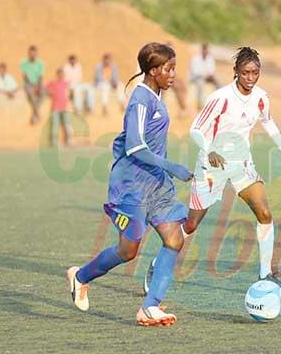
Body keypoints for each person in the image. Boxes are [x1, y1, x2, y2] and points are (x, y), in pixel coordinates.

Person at [144, 47, 281, 294]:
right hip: (212, 165)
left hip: (241, 164)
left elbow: (268, 123)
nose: (251, 78)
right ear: (235, 72)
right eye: (246, 73)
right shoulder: (221, 98)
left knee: (264, 212)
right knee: (192, 224)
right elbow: (196, 129)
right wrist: (210, 151)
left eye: (255, 73)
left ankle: (266, 275)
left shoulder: (261, 97)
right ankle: (157, 263)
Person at [65, 42, 192, 327]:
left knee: (174, 239)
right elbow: (135, 147)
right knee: (128, 251)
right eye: (169, 69)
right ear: (153, 70)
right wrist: (173, 166)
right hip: (131, 184)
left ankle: (150, 307)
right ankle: (81, 276)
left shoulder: (158, 97)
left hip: (156, 186)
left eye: (174, 68)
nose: (173, 74)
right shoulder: (140, 99)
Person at [45, 68, 73, 147]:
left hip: (65, 108)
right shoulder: (53, 83)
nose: (61, 76)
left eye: (62, 74)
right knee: (55, 126)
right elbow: (45, 88)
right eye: (59, 74)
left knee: (67, 125)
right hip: (55, 108)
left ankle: (68, 141)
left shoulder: (66, 83)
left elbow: (70, 92)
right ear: (57, 75)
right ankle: (54, 142)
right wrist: (49, 93)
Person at [189, 43, 221, 110]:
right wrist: (205, 74)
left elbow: (212, 70)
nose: (205, 52)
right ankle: (200, 104)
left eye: (206, 50)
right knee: (200, 83)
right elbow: (195, 72)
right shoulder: (196, 58)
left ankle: (220, 100)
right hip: (196, 77)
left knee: (218, 81)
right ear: (202, 50)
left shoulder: (210, 58)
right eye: (204, 50)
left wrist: (210, 75)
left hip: (207, 77)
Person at [20, 45, 45, 125]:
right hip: (28, 83)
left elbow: (41, 76)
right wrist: (33, 86)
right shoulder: (23, 63)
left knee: (43, 93)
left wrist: (38, 86)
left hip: (38, 83)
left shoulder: (41, 63)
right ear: (28, 54)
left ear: (36, 54)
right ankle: (37, 113)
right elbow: (25, 76)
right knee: (31, 94)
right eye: (31, 54)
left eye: (34, 54)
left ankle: (34, 114)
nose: (32, 55)